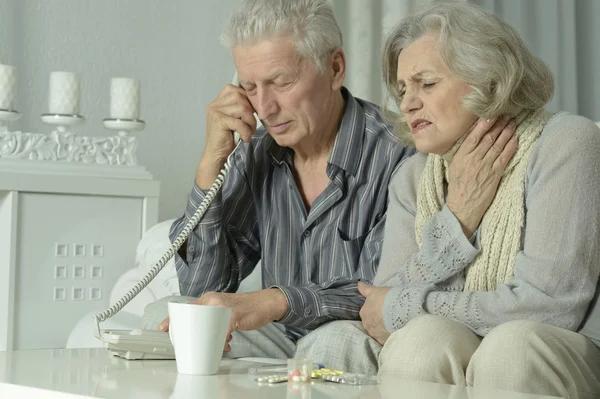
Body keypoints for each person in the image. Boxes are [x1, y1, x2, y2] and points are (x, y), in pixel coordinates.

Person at [298, 2, 600, 397]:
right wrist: (456, 219)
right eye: (403, 88)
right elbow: (380, 310)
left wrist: (408, 306)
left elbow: (550, 306)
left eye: (426, 83)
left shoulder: (566, 142)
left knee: (509, 347)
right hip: (462, 340)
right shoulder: (412, 177)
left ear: (487, 79)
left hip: (558, 345)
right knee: (417, 341)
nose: (407, 103)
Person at [155, 0, 416, 359]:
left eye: (281, 82)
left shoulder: (400, 154)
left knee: (337, 341)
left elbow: (381, 294)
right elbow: (202, 287)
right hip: (280, 340)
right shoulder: (256, 154)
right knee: (177, 323)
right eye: (249, 87)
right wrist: (209, 165)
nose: (264, 107)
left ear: (335, 68)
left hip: (356, 337)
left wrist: (276, 301)